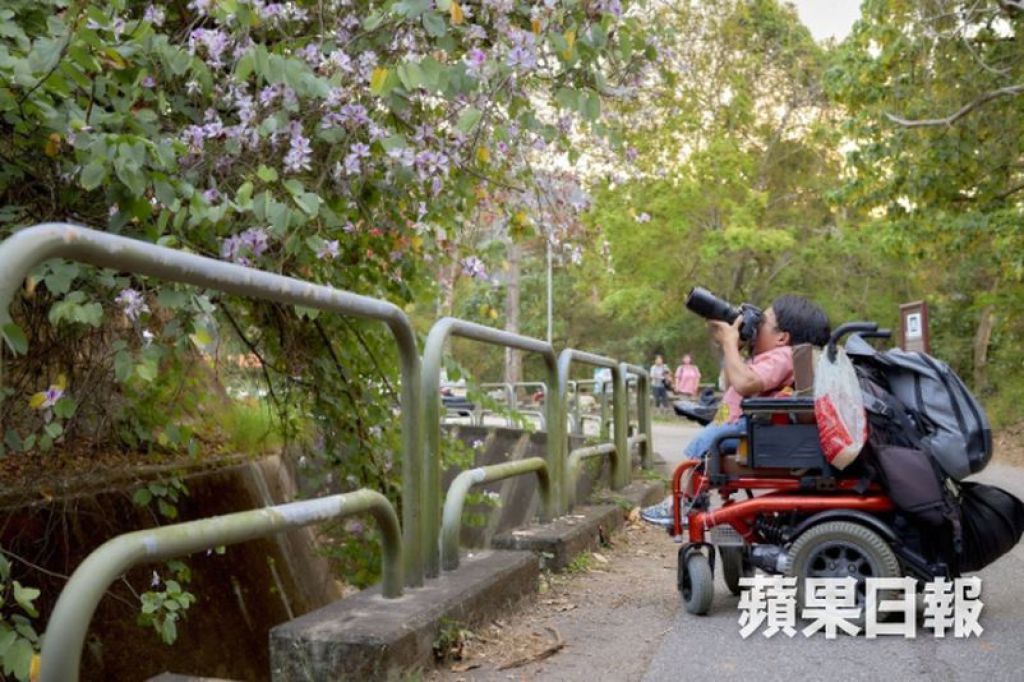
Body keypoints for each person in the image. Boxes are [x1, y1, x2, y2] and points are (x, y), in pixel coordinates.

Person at [641, 294, 831, 528]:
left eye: (762, 322)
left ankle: (681, 504)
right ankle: (689, 500)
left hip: (752, 427)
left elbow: (745, 384)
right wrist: (733, 349)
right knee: (706, 445)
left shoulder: (782, 356)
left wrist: (729, 343)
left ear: (782, 337)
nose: (756, 326)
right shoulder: (774, 356)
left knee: (700, 450)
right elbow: (731, 383)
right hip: (742, 421)